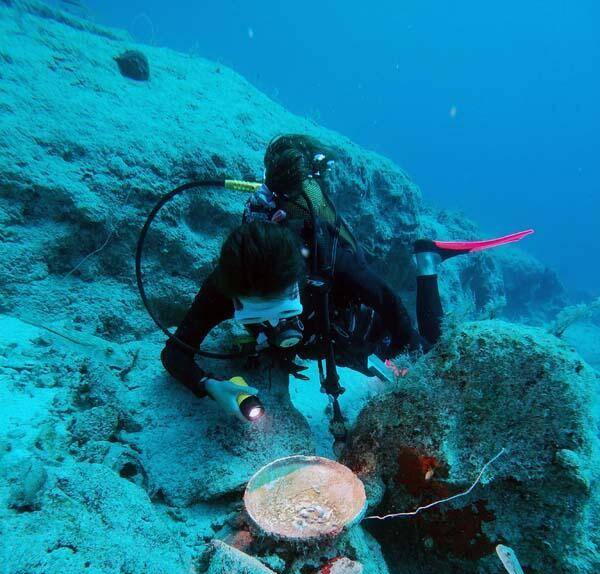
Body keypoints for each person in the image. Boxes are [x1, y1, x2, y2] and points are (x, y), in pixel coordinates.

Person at [161, 134, 531, 425]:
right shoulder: (226, 283)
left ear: (299, 281)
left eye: (284, 310)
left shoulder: (332, 261)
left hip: (349, 328)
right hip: (316, 335)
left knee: (429, 361)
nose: (276, 326)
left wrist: (408, 357)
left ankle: (427, 261)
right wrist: (209, 386)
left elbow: (388, 303)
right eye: (260, 317)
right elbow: (174, 352)